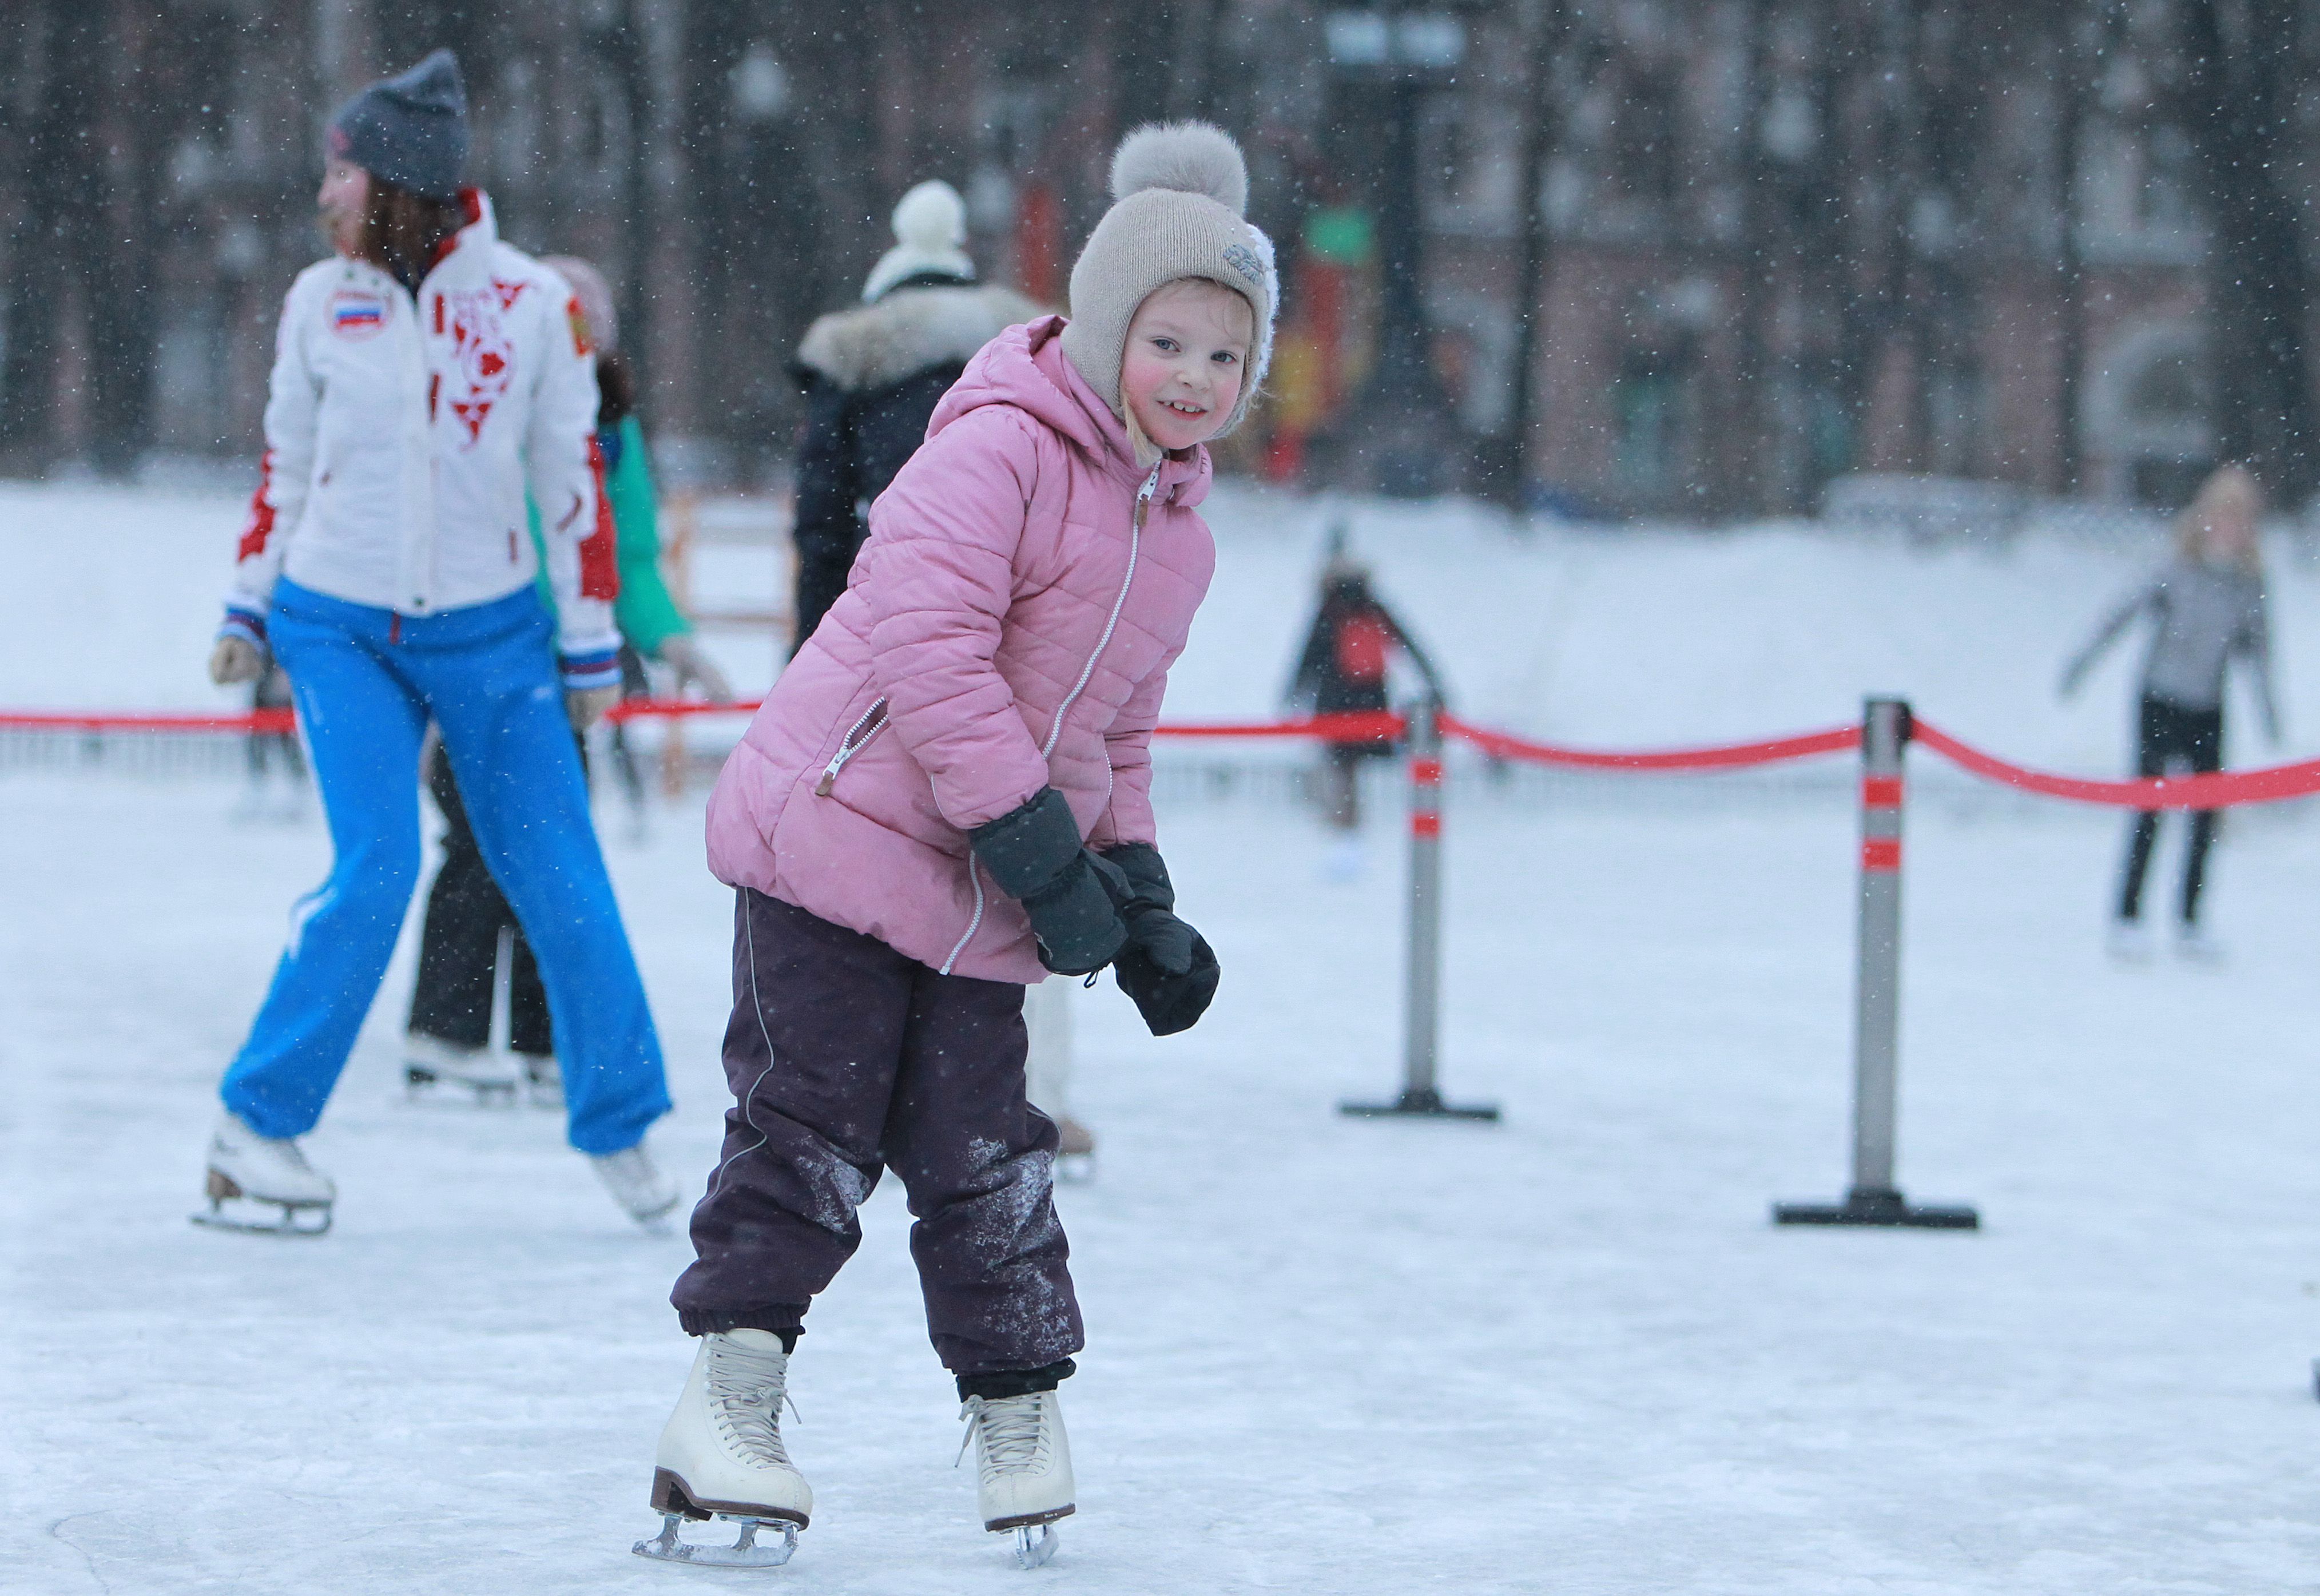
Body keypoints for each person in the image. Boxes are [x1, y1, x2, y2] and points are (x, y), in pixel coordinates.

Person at [631, 122, 1271, 1571]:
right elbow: (928, 655)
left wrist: (1141, 887)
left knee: (989, 1152)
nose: (1192, 379)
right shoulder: (999, 442)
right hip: (836, 840)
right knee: (810, 1124)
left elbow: (1116, 725)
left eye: (1225, 359)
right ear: (1105, 329)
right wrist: (1044, 852)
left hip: (985, 882)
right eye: (1167, 341)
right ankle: (725, 1401)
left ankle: (1020, 1408)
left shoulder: (1178, 534)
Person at [195, 50, 676, 1236]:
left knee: (560, 873)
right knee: (376, 869)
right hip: (338, 623)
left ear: (395, 183)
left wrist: (588, 646)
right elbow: (284, 469)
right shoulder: (323, 302)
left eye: (341, 171)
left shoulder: (530, 308)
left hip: (494, 636)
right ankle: (256, 1125)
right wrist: (248, 607)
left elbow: (574, 482)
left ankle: (622, 1123)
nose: (324, 194)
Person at [403, 254, 731, 1107]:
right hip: (475, 660)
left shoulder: (611, 431)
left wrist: (673, 641)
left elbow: (630, 557)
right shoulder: (476, 419)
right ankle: (446, 1032)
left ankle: (540, 1040)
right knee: (479, 846)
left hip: (567, 674)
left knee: (552, 852)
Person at [789, 180, 1042, 653]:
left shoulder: (850, 358)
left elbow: (822, 524)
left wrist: (810, 649)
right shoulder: (1034, 357)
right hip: (1013, 614)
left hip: (880, 607)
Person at [2061, 462, 2279, 962]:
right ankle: (2129, 915)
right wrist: (2081, 663)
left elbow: (2260, 652)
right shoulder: (2175, 569)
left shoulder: (2249, 584)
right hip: (2160, 699)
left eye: (2240, 519)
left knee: (2205, 818)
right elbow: (2121, 614)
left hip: (2208, 705)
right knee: (2150, 809)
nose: (2230, 529)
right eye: (2223, 516)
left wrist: (2270, 715)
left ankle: (2190, 920)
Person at [1285, 541, 1443, 878]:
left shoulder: (1330, 609)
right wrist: (1434, 683)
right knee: (1357, 759)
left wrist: (1295, 690)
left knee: (1341, 761)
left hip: (1335, 698)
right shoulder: (1373, 606)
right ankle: (1357, 819)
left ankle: (1343, 818)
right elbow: (1409, 643)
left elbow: (1309, 654)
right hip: (1371, 696)